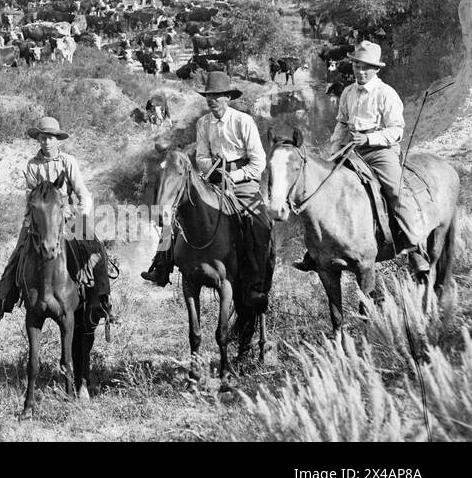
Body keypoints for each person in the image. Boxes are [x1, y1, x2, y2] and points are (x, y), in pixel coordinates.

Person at [293, 40, 424, 272]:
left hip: (380, 151)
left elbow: (396, 130)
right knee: (323, 186)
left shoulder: (386, 94)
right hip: (351, 150)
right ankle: (317, 250)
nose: (360, 72)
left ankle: (414, 245)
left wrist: (370, 139)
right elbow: (342, 124)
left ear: (376, 69)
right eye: (357, 67)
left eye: (366, 67)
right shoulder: (348, 92)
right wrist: (334, 152)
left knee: (394, 190)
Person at [141, 72, 269, 304]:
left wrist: (234, 174)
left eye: (217, 96)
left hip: (243, 183)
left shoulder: (243, 121)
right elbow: (200, 157)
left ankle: (257, 283)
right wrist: (212, 169)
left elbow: (258, 162)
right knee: (179, 213)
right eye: (209, 96)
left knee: (259, 223)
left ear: (228, 97)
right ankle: (161, 264)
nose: (212, 100)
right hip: (213, 180)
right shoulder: (203, 123)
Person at [0, 116, 94, 323]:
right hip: (38, 221)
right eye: (43, 138)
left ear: (57, 140)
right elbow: (29, 195)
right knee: (16, 255)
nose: (47, 142)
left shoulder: (68, 162)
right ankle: (2, 300)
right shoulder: (32, 165)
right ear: (39, 140)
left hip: (68, 217)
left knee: (93, 249)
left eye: (51, 138)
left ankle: (102, 300)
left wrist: (81, 216)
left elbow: (83, 194)